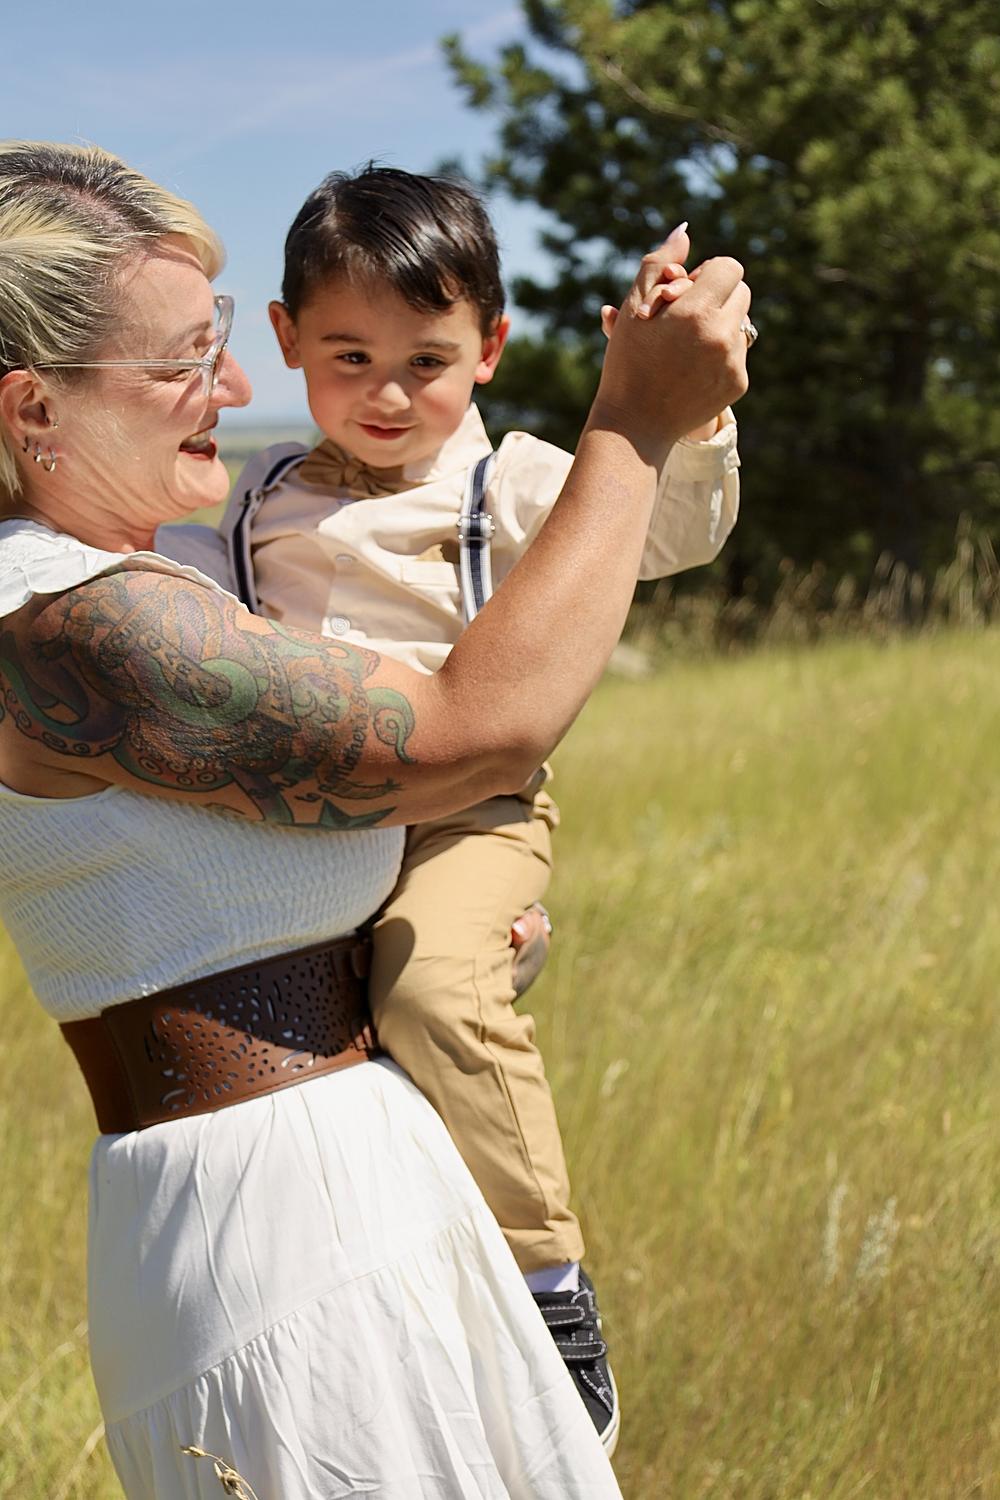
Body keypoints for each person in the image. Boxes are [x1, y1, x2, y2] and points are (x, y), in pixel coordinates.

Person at [0, 140, 751, 1499]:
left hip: (350, 1188)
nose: (237, 387)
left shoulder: (134, 580)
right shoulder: (76, 622)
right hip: (278, 1233)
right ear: (35, 405)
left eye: (225, 340)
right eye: (184, 358)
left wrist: (444, 949)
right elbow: (472, 731)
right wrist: (635, 418)